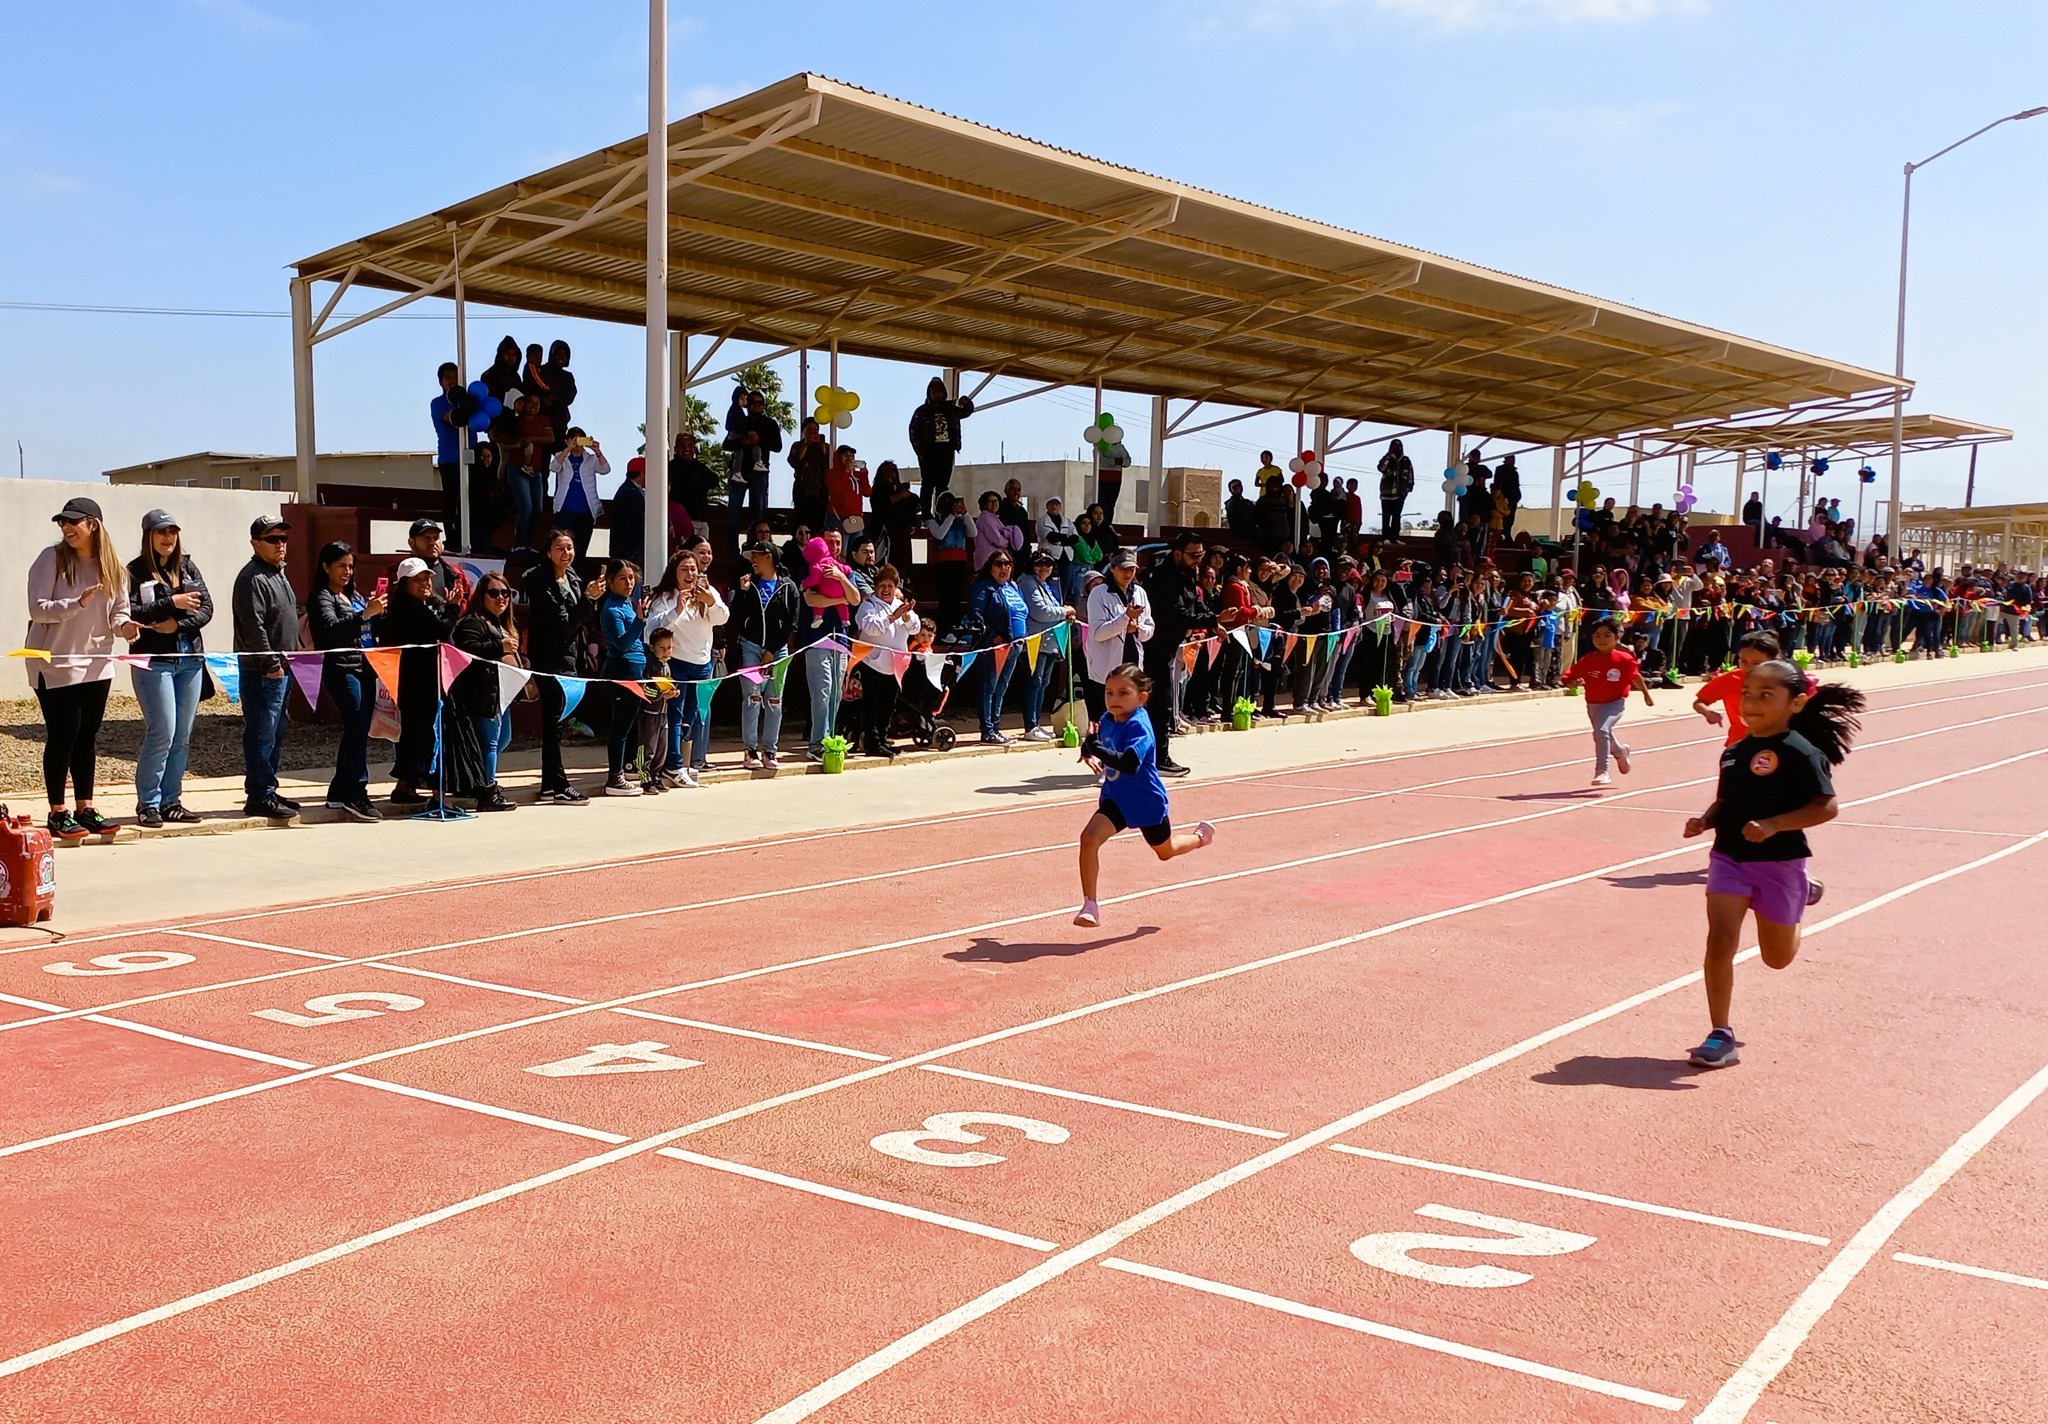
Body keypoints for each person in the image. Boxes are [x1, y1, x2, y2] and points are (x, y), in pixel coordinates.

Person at [1682, 661, 1864, 1068]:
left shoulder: (1801, 752)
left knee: (1776, 959)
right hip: (1728, 857)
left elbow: (1826, 806)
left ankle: (1803, 894)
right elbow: (1727, 800)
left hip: (1780, 863)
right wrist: (1706, 820)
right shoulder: (1733, 752)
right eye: (1748, 693)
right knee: (1720, 941)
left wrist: (1774, 825)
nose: (1752, 702)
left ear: (1796, 703)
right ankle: (1720, 1033)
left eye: (1767, 695)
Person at [1072, 663, 1217, 928]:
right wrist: (1087, 750)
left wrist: (1097, 749)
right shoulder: (1106, 719)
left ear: (1142, 697)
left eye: (1123, 693)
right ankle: (1090, 904)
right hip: (1117, 799)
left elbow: (1129, 763)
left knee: (1165, 851)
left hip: (1146, 801)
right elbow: (1096, 740)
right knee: (1089, 838)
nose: (1114, 699)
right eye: (1109, 693)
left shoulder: (1140, 727)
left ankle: (1199, 838)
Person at [24, 495, 134, 839]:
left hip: (98, 663)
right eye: (62, 522)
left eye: (73, 521)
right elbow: (38, 610)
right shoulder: (52, 558)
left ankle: (85, 807)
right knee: (63, 736)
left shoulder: (113, 565)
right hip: (56, 662)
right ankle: (58, 812)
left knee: (87, 738)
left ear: (94, 525)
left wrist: (126, 627)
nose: (66, 527)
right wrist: (77, 603)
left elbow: (119, 612)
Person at [126, 508, 213, 828]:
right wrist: (170, 604)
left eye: (172, 532)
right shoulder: (134, 571)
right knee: (162, 731)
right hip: (153, 662)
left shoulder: (187, 567)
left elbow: (207, 608)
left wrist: (176, 625)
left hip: (188, 660)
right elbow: (131, 610)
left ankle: (171, 800)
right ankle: (148, 802)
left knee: (182, 735)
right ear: (148, 536)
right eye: (161, 532)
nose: (168, 538)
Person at [307, 540, 385, 822]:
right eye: (341, 565)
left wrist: (376, 612)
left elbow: (366, 627)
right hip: (340, 669)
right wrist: (364, 614)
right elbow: (329, 630)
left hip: (363, 668)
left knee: (358, 729)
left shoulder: (354, 597)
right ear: (326, 566)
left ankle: (339, 790)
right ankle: (356, 792)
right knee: (356, 727)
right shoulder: (321, 597)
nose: (347, 571)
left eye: (351, 566)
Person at [521, 529, 600, 804]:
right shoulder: (539, 580)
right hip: (549, 660)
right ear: (548, 552)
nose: (566, 554)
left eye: (569, 548)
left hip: (570, 659)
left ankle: (548, 784)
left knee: (559, 724)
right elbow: (564, 621)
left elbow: (580, 623)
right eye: (559, 548)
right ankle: (558, 785)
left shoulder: (574, 578)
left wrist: (589, 599)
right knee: (554, 725)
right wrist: (589, 600)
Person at [376, 554, 459, 810]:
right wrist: (453, 607)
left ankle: (404, 786)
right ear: (405, 584)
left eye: (427, 578)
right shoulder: (410, 607)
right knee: (431, 736)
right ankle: (437, 795)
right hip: (420, 682)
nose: (425, 583)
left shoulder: (410, 606)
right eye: (418, 580)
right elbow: (441, 630)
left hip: (416, 680)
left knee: (414, 735)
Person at [234, 514, 300, 821]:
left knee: (274, 733)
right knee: (261, 733)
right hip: (263, 672)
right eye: (273, 540)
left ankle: (268, 788)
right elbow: (254, 628)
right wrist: (271, 664)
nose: (280, 545)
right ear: (255, 544)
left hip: (282, 669)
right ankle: (259, 795)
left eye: (283, 539)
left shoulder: (277, 574)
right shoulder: (252, 578)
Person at [646, 548, 728, 783]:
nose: (690, 573)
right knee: (674, 715)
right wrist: (677, 610)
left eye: (693, 568)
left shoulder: (707, 591)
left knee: (690, 716)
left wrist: (711, 602)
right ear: (675, 572)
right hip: (677, 663)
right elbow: (653, 629)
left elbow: (723, 618)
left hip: (702, 663)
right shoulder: (665, 597)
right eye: (685, 569)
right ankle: (674, 765)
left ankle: (678, 761)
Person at [450, 573, 522, 812]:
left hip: (502, 693)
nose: (501, 598)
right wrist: (499, 646)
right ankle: (487, 790)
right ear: (481, 597)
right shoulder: (473, 621)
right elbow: (467, 650)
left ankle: (479, 781)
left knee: (503, 739)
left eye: (506, 593)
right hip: (482, 692)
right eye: (494, 593)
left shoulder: (500, 623)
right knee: (490, 743)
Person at [1141, 532, 1208, 776]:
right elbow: (1178, 613)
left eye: (1201, 554)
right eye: (1194, 555)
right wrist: (1213, 619)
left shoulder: (1188, 572)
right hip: (1154, 646)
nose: (1198, 560)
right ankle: (1159, 759)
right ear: (1178, 553)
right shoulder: (1164, 577)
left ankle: (1154, 756)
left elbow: (1194, 603)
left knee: (1162, 703)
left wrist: (1214, 622)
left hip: (1170, 645)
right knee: (1160, 704)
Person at [1560, 617, 1654, 787]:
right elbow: (1569, 676)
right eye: (1597, 636)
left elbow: (1635, 676)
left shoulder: (1623, 659)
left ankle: (1602, 771)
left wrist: (1645, 694)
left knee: (1601, 730)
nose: (1601, 640)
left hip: (1615, 702)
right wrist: (1574, 682)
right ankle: (1620, 751)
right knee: (1603, 732)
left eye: (1606, 635)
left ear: (1617, 637)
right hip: (1593, 703)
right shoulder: (1588, 660)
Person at [731, 540, 799, 770]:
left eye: (756, 555)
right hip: (750, 646)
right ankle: (750, 750)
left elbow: (791, 623)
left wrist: (771, 650)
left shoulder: (789, 587)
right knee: (752, 698)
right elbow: (736, 616)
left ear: (769, 557)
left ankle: (770, 750)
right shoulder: (749, 584)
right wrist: (741, 593)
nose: (752, 560)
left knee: (774, 700)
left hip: (778, 652)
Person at [594, 558, 649, 795]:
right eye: (622, 578)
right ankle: (614, 778)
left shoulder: (627, 604)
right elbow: (622, 644)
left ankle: (627, 768)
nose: (629, 583)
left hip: (636, 671)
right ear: (610, 582)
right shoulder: (611, 609)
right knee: (620, 727)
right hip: (621, 672)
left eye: (631, 578)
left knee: (630, 726)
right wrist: (639, 620)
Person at [854, 563, 918, 758]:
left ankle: (882, 739)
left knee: (888, 705)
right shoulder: (868, 605)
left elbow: (915, 628)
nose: (886, 590)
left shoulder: (900, 605)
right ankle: (872, 743)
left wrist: (906, 617)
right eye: (882, 585)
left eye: (890, 586)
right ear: (875, 587)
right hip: (873, 662)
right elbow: (870, 628)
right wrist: (892, 617)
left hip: (895, 665)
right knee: (872, 705)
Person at [1017, 549, 1074, 741]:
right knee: (1034, 683)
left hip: (1049, 642)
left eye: (1048, 564)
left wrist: (1065, 614)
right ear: (1032, 565)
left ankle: (1036, 724)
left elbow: (1053, 611)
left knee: (1043, 684)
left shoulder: (1046, 584)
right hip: (1035, 641)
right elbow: (1040, 611)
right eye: (1039, 564)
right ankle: (1030, 725)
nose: (1044, 568)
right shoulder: (1027, 581)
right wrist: (1064, 611)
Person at [429, 362, 478, 551]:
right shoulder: (438, 403)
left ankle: (471, 538)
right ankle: (453, 539)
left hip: (470, 456)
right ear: (441, 382)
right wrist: (465, 405)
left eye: (455, 376)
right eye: (448, 377)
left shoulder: (471, 399)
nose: (452, 381)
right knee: (452, 502)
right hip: (450, 458)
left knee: (471, 500)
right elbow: (453, 418)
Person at [908, 376, 973, 515]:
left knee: (943, 485)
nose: (937, 393)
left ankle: (941, 512)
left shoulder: (950, 409)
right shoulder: (922, 411)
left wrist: (966, 401)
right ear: (929, 392)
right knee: (928, 484)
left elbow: (967, 411)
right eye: (934, 390)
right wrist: (921, 451)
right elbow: (913, 431)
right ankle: (926, 513)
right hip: (929, 451)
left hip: (947, 450)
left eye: (940, 391)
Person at [549, 427, 610, 560]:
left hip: (586, 511)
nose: (577, 443)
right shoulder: (562, 456)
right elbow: (554, 467)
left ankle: (578, 580)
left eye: (580, 439)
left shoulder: (591, 459)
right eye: (573, 439)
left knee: (581, 551)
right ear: (567, 441)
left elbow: (605, 469)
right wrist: (567, 450)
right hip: (565, 510)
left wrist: (597, 451)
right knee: (565, 549)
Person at [924, 492, 973, 631]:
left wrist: (965, 513)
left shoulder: (960, 520)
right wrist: (951, 516)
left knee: (956, 598)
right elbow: (940, 534)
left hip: (960, 563)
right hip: (944, 564)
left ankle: (952, 627)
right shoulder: (933, 520)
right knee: (946, 599)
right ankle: (944, 630)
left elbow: (973, 533)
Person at [789, 417, 831, 530]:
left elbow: (831, 465)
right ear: (803, 431)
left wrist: (822, 447)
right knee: (801, 521)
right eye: (809, 429)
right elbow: (795, 462)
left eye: (815, 429)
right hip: (802, 488)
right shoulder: (797, 446)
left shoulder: (825, 446)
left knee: (819, 522)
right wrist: (806, 444)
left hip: (821, 489)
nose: (813, 432)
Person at [610, 457, 649, 570]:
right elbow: (644, 517)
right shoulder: (631, 494)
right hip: (630, 553)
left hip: (627, 552)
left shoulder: (628, 490)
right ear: (642, 473)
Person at [1378, 439, 1415, 541]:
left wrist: (1407, 489)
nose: (1397, 448)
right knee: (1386, 516)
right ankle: (1386, 537)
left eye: (1399, 446)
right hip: (1387, 493)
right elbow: (1381, 468)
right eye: (1395, 446)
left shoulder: (1406, 461)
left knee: (1396, 516)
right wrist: (1389, 455)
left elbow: (1410, 476)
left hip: (1400, 494)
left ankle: (1394, 537)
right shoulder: (1388, 459)